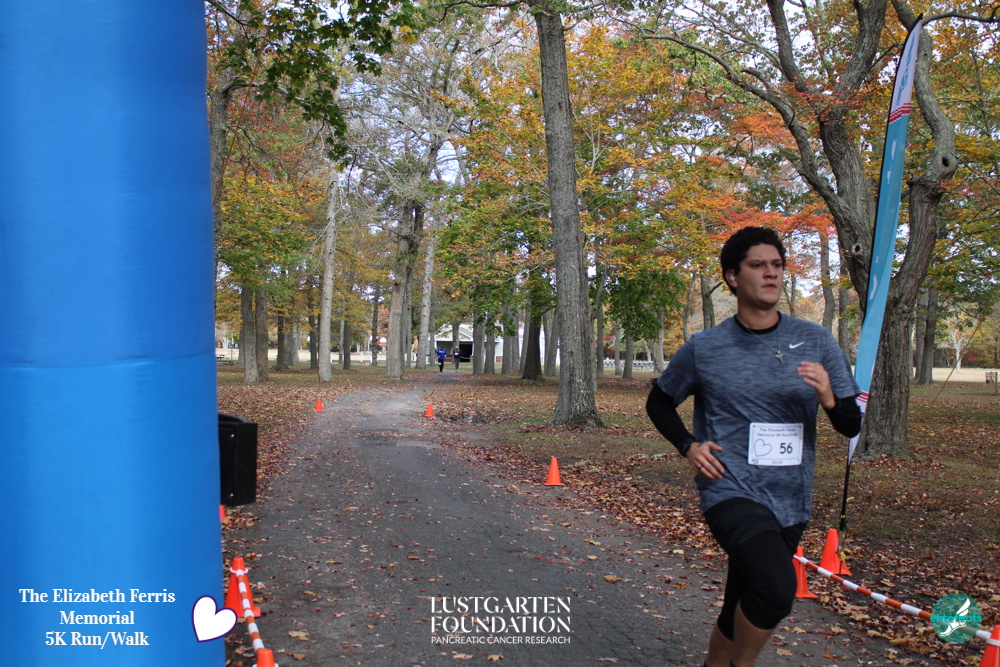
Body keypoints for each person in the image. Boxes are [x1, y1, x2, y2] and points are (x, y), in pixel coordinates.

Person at [645, 226, 861, 667]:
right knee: (776, 589)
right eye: (758, 265)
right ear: (732, 277)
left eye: (777, 265)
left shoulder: (817, 341)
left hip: (790, 496)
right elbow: (659, 401)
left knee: (741, 598)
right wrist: (688, 446)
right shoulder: (705, 347)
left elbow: (850, 424)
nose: (771, 274)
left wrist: (828, 398)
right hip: (730, 488)